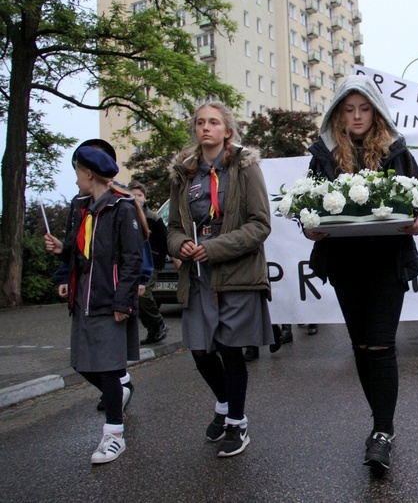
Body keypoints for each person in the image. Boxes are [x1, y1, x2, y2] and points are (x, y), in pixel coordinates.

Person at [303, 75, 418, 470]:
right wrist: (308, 225)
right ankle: (381, 425)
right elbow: (306, 206)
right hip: (344, 263)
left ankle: (382, 431)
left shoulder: (396, 150)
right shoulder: (323, 155)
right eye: (349, 109)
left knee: (381, 345)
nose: (357, 116)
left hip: (387, 261)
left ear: (375, 112)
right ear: (338, 113)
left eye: (364, 109)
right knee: (360, 346)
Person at [166, 101, 274, 458]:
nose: (205, 128)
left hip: (236, 271)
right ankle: (225, 404)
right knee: (200, 349)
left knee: (230, 349)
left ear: (227, 130)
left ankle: (238, 424)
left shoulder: (244, 166)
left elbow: (260, 224)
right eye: (200, 122)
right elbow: (174, 227)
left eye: (213, 122)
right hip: (197, 275)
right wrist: (181, 244)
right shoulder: (184, 173)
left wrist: (214, 248)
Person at [44, 142, 148, 464]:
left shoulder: (122, 208)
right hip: (83, 297)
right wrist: (63, 251)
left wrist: (123, 301)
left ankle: (114, 435)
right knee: (82, 363)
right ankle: (119, 390)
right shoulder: (80, 206)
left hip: (109, 300)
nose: (75, 180)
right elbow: (81, 251)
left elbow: (132, 260)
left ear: (89, 173)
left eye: (77, 173)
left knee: (108, 367)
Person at [129, 181, 172, 344]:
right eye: (133, 195)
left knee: (144, 293)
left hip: (152, 261)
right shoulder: (126, 215)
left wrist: (175, 258)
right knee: (135, 296)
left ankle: (158, 323)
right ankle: (153, 329)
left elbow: (166, 240)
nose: (136, 198)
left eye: (139, 195)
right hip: (133, 262)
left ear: (145, 198)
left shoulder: (152, 217)